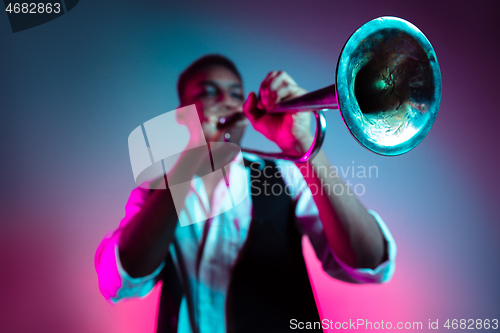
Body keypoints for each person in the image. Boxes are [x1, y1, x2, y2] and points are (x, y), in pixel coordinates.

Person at [95, 55, 396, 333]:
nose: (228, 102)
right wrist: (190, 158)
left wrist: (305, 149)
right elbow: (119, 281)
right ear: (181, 116)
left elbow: (368, 264)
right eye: (209, 93)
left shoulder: (285, 174)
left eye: (237, 94)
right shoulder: (153, 192)